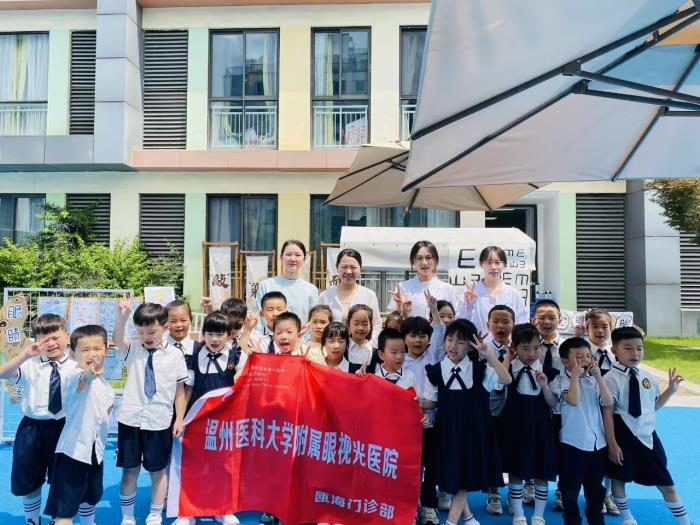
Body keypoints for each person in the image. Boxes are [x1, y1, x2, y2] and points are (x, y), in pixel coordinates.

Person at [422, 319, 512, 525]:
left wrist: (489, 355)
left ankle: (451, 522)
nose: (453, 346)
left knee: (463, 481)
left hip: (475, 434)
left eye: (461, 342)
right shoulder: (435, 371)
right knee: (456, 477)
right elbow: (430, 402)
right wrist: (409, 400)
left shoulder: (481, 370)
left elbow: (506, 380)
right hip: (447, 433)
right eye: (449, 340)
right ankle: (468, 517)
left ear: (471, 345)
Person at [603, 327, 691, 525]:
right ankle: (627, 518)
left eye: (639, 348)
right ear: (614, 350)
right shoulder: (609, 379)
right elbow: (607, 413)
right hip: (623, 435)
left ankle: (685, 521)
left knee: (665, 481)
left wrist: (670, 390)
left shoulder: (647, 377)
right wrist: (612, 444)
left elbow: (653, 406)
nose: (634, 353)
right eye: (627, 348)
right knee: (619, 478)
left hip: (648, 437)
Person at [113, 302, 189, 525]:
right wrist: (122, 318)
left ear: (165, 328)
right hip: (130, 420)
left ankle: (155, 513)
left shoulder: (175, 355)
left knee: (158, 471)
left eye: (152, 332)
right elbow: (118, 339)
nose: (146, 337)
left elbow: (180, 390)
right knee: (130, 470)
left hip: (159, 421)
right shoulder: (133, 349)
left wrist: (179, 418)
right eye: (140, 332)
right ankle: (127, 516)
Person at [0, 314, 78, 525]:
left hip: (65, 427)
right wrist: (25, 355)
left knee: (62, 477)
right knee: (29, 478)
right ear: (36, 341)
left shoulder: (75, 365)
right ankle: (33, 520)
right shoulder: (30, 364)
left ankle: (57, 518)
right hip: (32, 429)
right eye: (44, 339)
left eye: (55, 337)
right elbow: (3, 373)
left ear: (67, 336)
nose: (51, 343)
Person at [44, 325, 115, 525]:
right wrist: (89, 374)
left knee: (90, 497)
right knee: (65, 509)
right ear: (73, 354)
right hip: (72, 454)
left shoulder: (107, 387)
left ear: (106, 350)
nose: (92, 354)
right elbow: (84, 380)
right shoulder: (73, 376)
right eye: (85, 350)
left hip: (95, 453)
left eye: (97, 348)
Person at [177, 311, 240, 525]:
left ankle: (223, 509)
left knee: (224, 466)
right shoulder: (193, 356)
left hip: (225, 421)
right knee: (193, 465)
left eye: (220, 334)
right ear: (202, 334)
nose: (214, 339)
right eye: (210, 334)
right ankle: (188, 512)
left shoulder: (236, 356)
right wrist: (180, 419)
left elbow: (243, 383)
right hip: (196, 419)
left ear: (228, 335)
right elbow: (186, 389)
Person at [501, 323, 559, 525]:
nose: (532, 354)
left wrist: (545, 386)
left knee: (541, 472)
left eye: (536, 348)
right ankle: (518, 514)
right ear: (514, 348)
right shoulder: (508, 369)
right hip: (514, 427)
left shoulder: (548, 371)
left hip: (540, 428)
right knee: (515, 470)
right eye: (525, 348)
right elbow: (499, 384)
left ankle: (538, 515)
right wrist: (507, 360)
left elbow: (553, 403)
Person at [553, 337, 613, 525]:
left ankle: (596, 520)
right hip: (573, 444)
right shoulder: (560, 380)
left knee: (595, 489)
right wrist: (575, 376)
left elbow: (608, 401)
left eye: (588, 356)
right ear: (565, 361)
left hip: (598, 444)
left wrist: (598, 377)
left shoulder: (594, 380)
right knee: (570, 490)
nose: (585, 360)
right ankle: (572, 521)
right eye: (579, 357)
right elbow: (573, 400)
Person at [401, 294, 445, 525]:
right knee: (410, 468)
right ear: (404, 338)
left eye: (422, 336)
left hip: (432, 422)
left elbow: (439, 333)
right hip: (405, 425)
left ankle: (429, 506)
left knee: (432, 466)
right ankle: (411, 506)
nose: (418, 340)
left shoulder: (434, 355)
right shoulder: (399, 360)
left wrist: (434, 310)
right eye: (412, 335)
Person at [532, 298, 566, 511]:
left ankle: (563, 489)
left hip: (561, 408)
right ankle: (530, 484)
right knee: (534, 446)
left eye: (551, 317)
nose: (546, 322)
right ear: (533, 320)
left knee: (563, 448)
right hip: (533, 407)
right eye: (541, 317)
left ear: (560, 320)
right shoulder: (527, 346)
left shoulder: (567, 347)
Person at [484, 305, 515, 516]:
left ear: (513, 324)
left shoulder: (520, 349)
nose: (500, 326)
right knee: (493, 452)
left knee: (514, 452)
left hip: (515, 411)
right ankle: (493, 492)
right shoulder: (483, 351)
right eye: (496, 321)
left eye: (505, 322)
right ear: (488, 324)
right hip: (491, 411)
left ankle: (515, 493)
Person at [458, 246, 529, 335]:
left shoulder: (513, 294)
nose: (493, 267)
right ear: (481, 264)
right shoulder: (470, 292)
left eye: (498, 263)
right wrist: (469, 306)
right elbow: (460, 322)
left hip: (506, 343)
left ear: (504, 264)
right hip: (477, 342)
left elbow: (522, 324)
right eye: (488, 262)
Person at [319, 248, 382, 344]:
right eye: (344, 267)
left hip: (362, 349)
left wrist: (367, 345)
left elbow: (376, 325)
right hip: (332, 349)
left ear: (360, 269)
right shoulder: (325, 296)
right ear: (337, 268)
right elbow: (319, 323)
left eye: (353, 267)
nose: (348, 271)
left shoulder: (369, 295)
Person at [388, 240, 458, 320]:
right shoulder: (402, 287)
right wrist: (398, 306)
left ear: (436, 261)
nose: (424, 263)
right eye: (419, 258)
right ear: (413, 261)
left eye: (428, 258)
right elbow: (394, 320)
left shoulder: (448, 289)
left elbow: (455, 318)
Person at [255, 239, 319, 325]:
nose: (293, 259)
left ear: (304, 259)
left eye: (297, 255)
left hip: (301, 334)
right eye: (288, 254)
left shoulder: (311, 290)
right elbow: (259, 319)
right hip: (269, 334)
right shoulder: (266, 285)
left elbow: (313, 321)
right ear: (281, 258)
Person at [166, 300, 195, 366]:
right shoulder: (160, 348)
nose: (179, 325)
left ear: (191, 320)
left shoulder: (199, 349)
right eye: (173, 321)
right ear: (165, 322)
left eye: (183, 320)